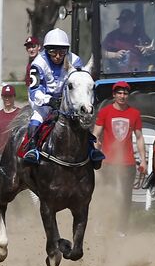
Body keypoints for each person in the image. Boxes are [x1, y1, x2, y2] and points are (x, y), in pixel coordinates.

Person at [20, 28, 105, 166]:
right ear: (46, 50)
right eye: (53, 52)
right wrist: (50, 101)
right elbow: (35, 91)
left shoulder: (75, 60)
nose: (58, 56)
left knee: (82, 118)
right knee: (37, 118)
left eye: (62, 52)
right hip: (43, 100)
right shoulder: (38, 64)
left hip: (67, 98)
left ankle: (91, 149)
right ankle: (33, 150)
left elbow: (81, 82)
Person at [94, 81, 146, 234]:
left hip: (128, 162)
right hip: (107, 161)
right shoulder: (105, 112)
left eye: (125, 93)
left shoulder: (134, 113)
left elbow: (140, 137)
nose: (122, 96)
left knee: (125, 197)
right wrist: (95, 154)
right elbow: (96, 135)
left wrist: (143, 160)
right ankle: (101, 225)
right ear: (114, 95)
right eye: (119, 93)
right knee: (104, 194)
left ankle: (121, 229)